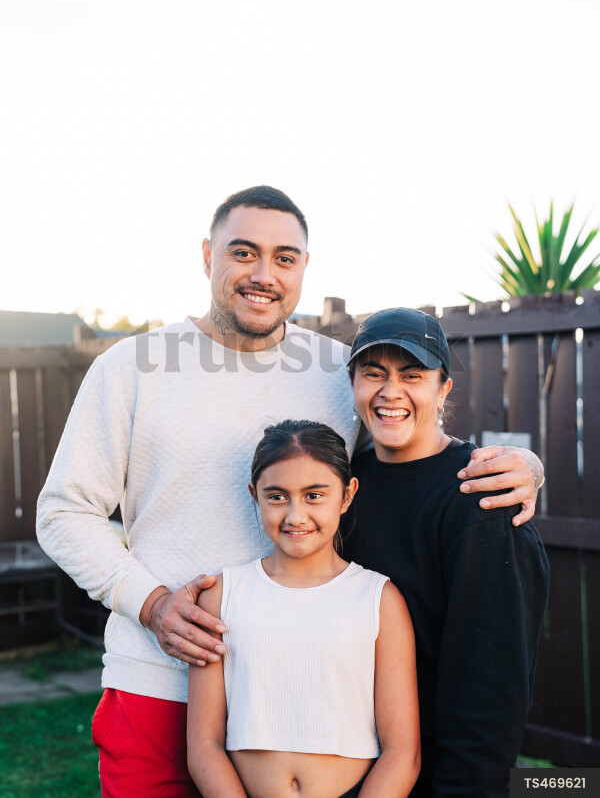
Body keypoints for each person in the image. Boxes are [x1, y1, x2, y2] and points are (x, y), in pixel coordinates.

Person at [36, 186, 544, 796]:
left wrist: (527, 465)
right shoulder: (131, 367)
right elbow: (64, 512)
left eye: (285, 257)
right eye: (243, 252)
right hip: (162, 680)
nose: (263, 274)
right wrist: (152, 604)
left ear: (304, 267)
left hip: (304, 701)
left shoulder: (336, 370)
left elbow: (408, 435)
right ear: (207, 255)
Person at [341, 307, 550, 797]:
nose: (390, 392)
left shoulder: (483, 498)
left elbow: (491, 697)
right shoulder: (347, 485)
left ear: (443, 390)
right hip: (351, 768)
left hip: (439, 777)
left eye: (412, 375)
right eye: (374, 374)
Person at [187, 420, 421, 798]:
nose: (295, 516)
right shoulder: (222, 597)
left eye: (314, 495)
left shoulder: (379, 599)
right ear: (254, 495)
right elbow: (203, 743)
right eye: (277, 496)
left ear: (346, 496)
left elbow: (402, 752)